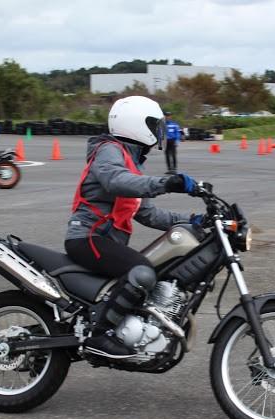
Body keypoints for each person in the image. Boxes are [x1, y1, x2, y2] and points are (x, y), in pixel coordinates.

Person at [65, 96, 203, 359]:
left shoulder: (133, 162)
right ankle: (100, 336)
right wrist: (166, 183)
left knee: (155, 270)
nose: (158, 131)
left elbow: (148, 214)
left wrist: (193, 219)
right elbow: (114, 181)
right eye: (154, 125)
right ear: (137, 124)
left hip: (108, 242)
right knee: (142, 272)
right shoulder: (108, 150)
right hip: (88, 236)